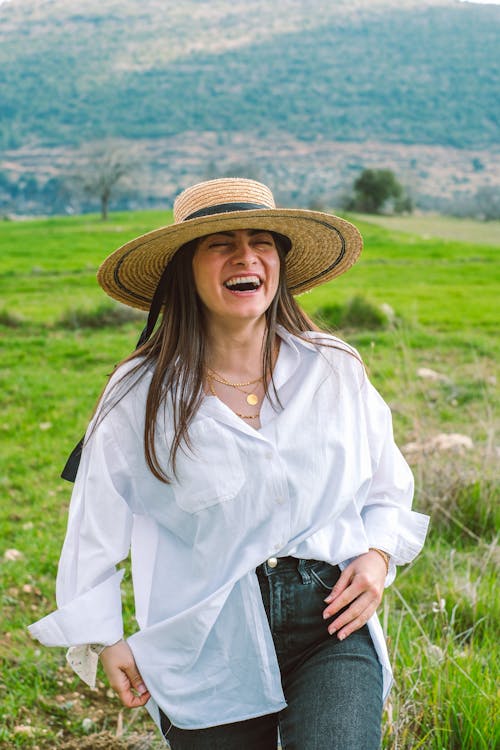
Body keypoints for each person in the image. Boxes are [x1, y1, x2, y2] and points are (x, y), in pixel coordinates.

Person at [29, 177, 429, 749]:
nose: (246, 257)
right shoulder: (137, 396)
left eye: (261, 241)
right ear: (184, 269)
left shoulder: (333, 369)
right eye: (220, 243)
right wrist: (103, 637)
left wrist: (377, 554)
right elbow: (93, 527)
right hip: (205, 639)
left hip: (331, 622)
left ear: (280, 263)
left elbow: (387, 485)